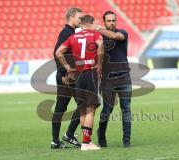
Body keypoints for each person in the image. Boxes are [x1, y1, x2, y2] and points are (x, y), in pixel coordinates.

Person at [55, 15, 104, 151]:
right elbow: (100, 47)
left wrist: (67, 67)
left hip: (79, 76)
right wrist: (99, 65)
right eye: (95, 23)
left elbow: (58, 52)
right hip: (90, 73)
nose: (97, 26)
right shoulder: (95, 35)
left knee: (82, 109)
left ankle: (85, 142)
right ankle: (87, 143)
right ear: (91, 23)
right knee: (90, 110)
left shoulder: (72, 37)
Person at [96, 11, 132, 147]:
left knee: (126, 109)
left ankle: (126, 141)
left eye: (113, 20)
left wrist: (98, 28)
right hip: (107, 80)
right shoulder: (99, 38)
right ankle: (101, 135)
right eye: (109, 21)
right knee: (107, 110)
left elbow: (115, 36)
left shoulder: (122, 33)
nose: (111, 23)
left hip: (124, 78)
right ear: (104, 22)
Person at [51, 7, 83, 149]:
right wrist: (65, 72)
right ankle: (67, 136)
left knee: (62, 108)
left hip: (68, 77)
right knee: (85, 105)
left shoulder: (70, 32)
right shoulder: (67, 33)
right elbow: (57, 53)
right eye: (79, 17)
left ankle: (56, 141)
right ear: (71, 17)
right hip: (67, 78)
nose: (80, 20)